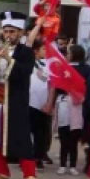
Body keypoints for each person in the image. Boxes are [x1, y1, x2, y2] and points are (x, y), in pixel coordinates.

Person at [0, 11, 43, 179]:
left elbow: (25, 73)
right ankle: (0, 171)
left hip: (14, 100)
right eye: (6, 31)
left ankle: (29, 174)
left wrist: (9, 60)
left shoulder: (26, 52)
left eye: (12, 32)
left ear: (20, 33)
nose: (8, 35)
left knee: (20, 135)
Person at [51, 44, 90, 176]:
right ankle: (63, 164)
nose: (66, 55)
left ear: (73, 54)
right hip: (63, 102)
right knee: (65, 135)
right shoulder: (62, 68)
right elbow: (56, 86)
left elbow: (86, 87)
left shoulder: (85, 69)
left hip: (77, 103)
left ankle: (72, 165)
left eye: (68, 52)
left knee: (73, 135)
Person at [28, 39, 52, 168]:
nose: (46, 52)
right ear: (35, 50)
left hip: (43, 104)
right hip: (29, 102)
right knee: (28, 131)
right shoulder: (28, 63)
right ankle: (26, 157)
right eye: (43, 49)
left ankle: (38, 157)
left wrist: (49, 103)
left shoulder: (48, 64)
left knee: (41, 133)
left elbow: (52, 84)